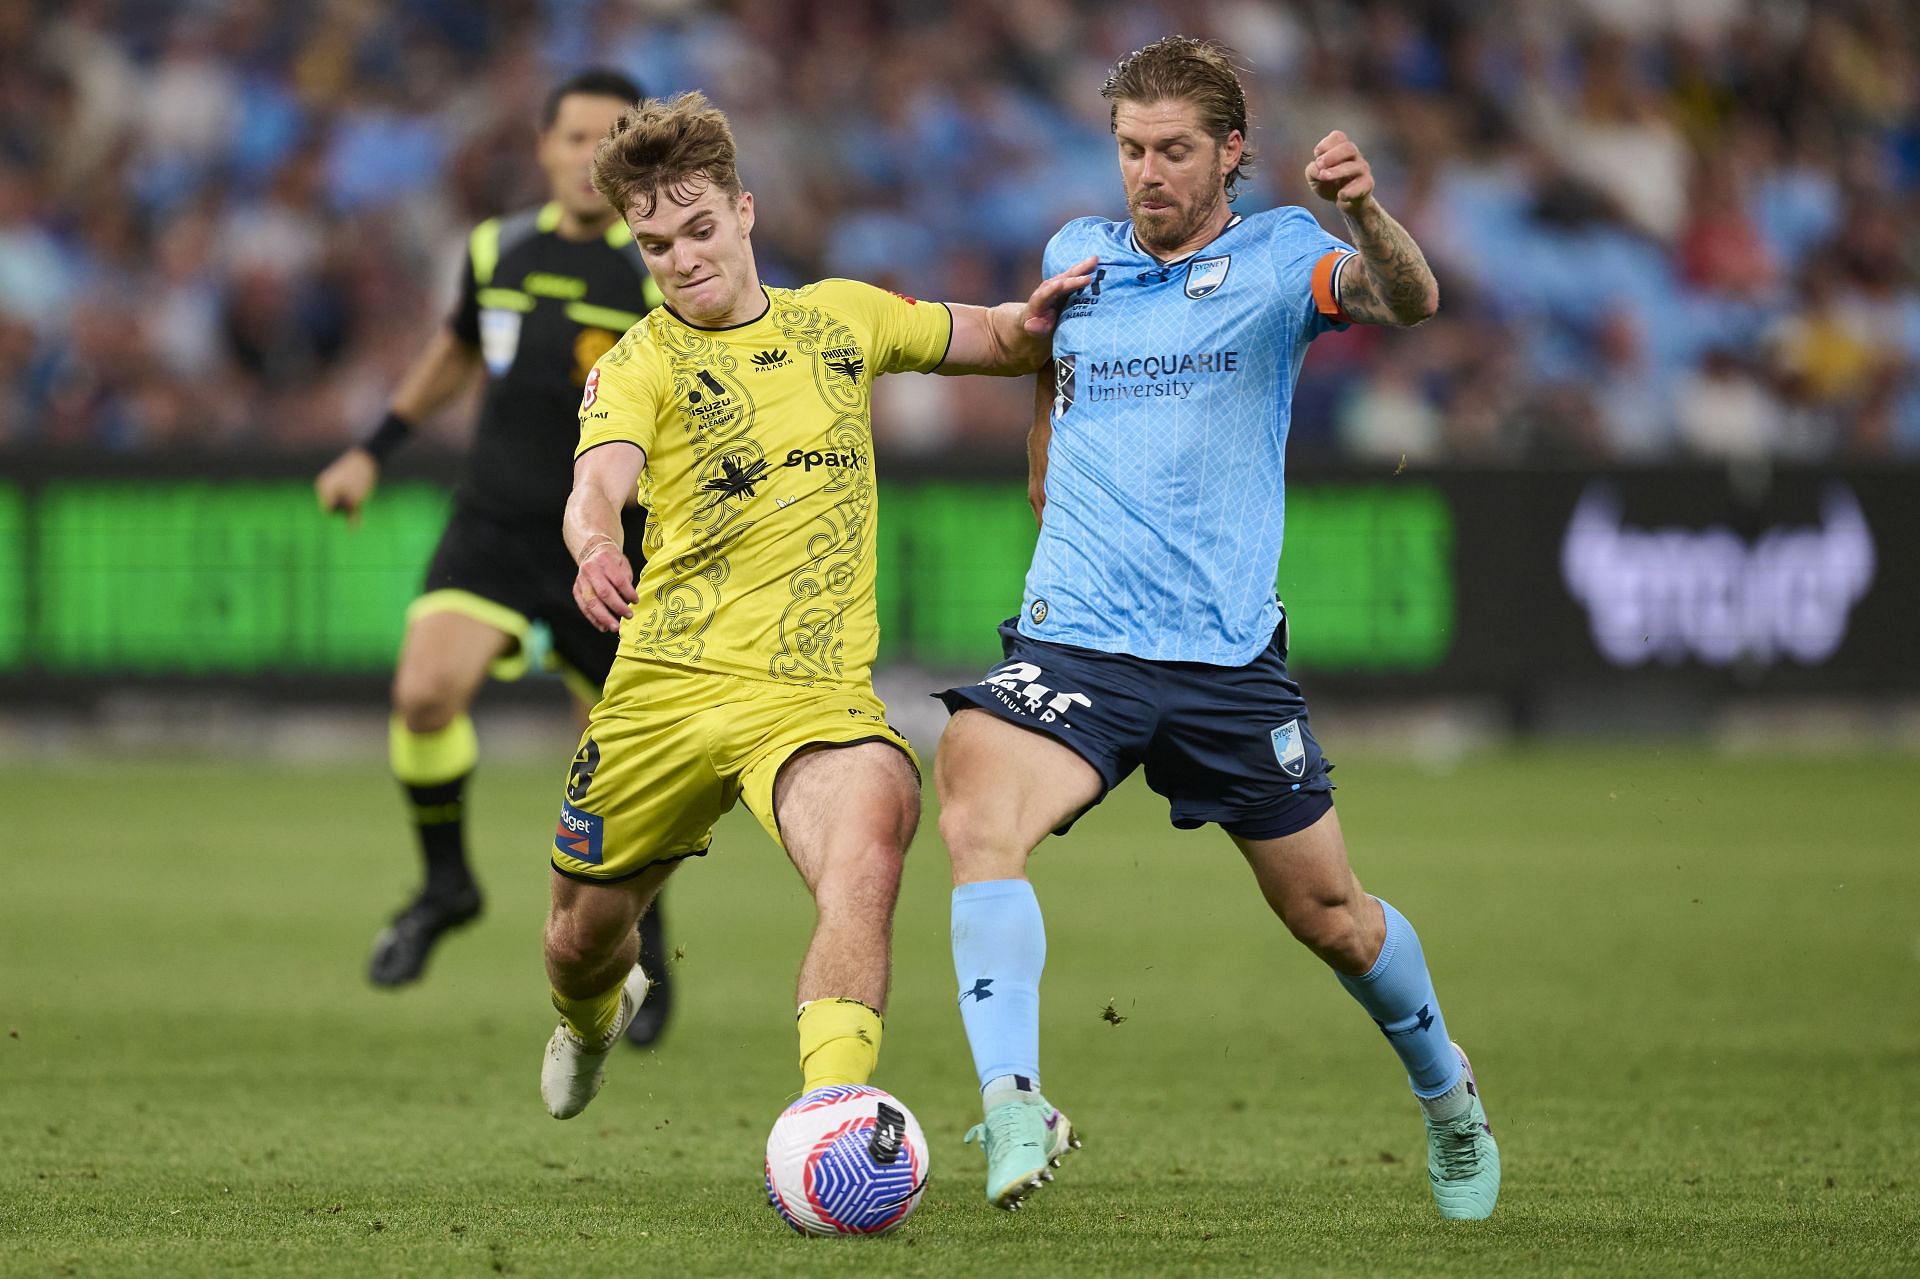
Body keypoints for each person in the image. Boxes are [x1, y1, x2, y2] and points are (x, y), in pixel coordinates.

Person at [932, 36, 1501, 1219]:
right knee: (976, 800)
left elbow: (1408, 297)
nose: (1150, 172)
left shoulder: (1285, 254)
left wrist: (1365, 213)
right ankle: (1013, 1099)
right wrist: (1047, 468)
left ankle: (1446, 1091)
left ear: (1233, 151)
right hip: (1076, 640)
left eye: (1176, 150)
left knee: (1332, 918)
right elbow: (1047, 367)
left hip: (1223, 663)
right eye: (1132, 149)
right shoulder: (1076, 253)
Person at [534, 91, 1095, 1121]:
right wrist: (595, 545)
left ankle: (833, 1115)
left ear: (744, 212)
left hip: (809, 698)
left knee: (876, 820)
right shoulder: (639, 362)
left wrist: (1057, 308)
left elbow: (1004, 339)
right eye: (656, 244)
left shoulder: (843, 317)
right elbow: (596, 483)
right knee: (577, 941)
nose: (684, 257)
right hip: (664, 688)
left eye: (699, 228)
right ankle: (588, 1017)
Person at [313, 69, 674, 1043]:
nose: (586, 156)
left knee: (620, 765)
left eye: (610, 139)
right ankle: (445, 885)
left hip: (606, 547)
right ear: (546, 145)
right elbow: (456, 352)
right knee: (424, 693)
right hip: (495, 525)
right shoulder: (494, 248)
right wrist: (371, 448)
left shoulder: (663, 269)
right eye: (571, 137)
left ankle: (644, 938)